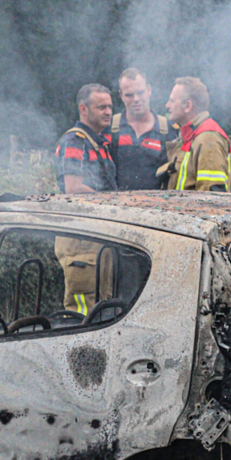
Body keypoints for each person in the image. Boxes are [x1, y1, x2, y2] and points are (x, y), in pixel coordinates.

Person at [54, 84, 117, 315]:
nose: (108, 112)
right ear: (83, 109)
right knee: (82, 312)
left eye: (110, 106)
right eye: (101, 107)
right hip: (80, 241)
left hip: (95, 238)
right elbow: (73, 189)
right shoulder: (75, 141)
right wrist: (113, 204)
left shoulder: (97, 143)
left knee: (101, 303)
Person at [109, 67, 178, 190]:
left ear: (149, 90)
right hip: (117, 206)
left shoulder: (168, 130)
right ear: (121, 95)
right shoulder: (110, 128)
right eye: (129, 95)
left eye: (140, 93)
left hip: (156, 206)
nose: (136, 99)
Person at [160, 76, 231, 192]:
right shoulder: (189, 135)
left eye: (172, 101)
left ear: (188, 106)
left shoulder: (208, 139)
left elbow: (212, 199)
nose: (167, 105)